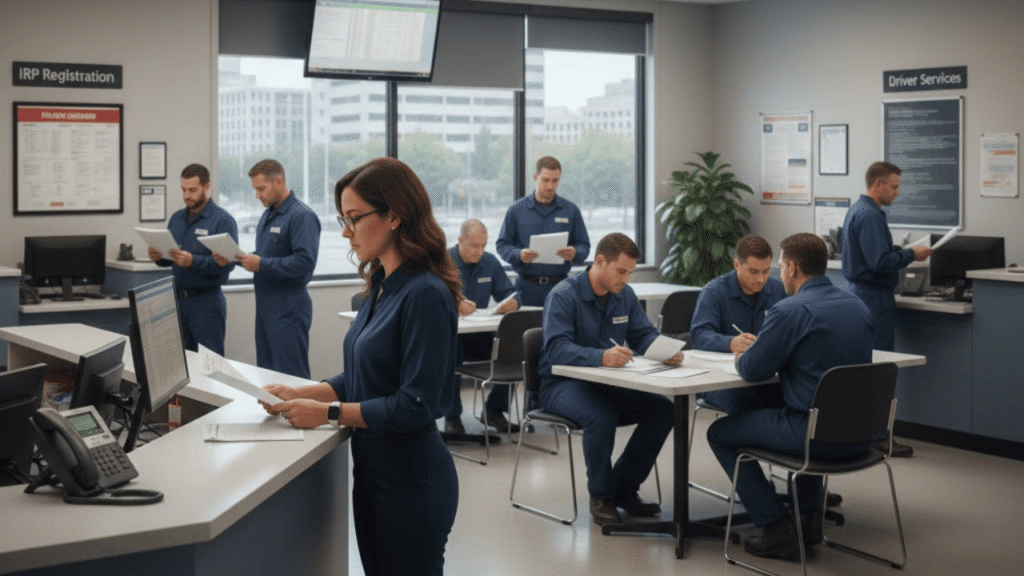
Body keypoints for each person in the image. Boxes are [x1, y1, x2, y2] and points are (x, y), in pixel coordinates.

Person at [260, 157, 459, 576]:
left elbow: (415, 404)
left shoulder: (425, 293)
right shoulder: (382, 285)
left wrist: (327, 413)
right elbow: (364, 376)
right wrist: (302, 393)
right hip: (373, 475)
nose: (346, 231)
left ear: (394, 216)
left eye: (354, 218)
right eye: (343, 219)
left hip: (411, 482)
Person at [707, 233, 874, 560]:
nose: (779, 274)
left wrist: (742, 357)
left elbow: (753, 370)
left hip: (813, 437)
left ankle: (776, 526)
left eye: (781, 266)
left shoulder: (789, 310)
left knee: (720, 433)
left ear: (793, 267)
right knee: (814, 412)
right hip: (862, 434)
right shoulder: (857, 305)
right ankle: (809, 519)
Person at [538, 232, 679, 526]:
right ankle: (601, 496)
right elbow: (556, 349)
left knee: (664, 410)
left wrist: (662, 350)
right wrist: (600, 356)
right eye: (621, 271)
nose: (626, 279)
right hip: (560, 385)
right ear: (600, 262)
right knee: (601, 417)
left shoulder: (624, 294)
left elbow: (642, 334)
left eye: (630, 273)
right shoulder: (563, 295)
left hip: (607, 382)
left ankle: (623, 489)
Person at [842, 161, 931, 457]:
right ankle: (879, 436)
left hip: (860, 294)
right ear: (877, 184)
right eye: (893, 186)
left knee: (866, 366)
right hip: (874, 297)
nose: (897, 192)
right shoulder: (870, 215)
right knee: (880, 368)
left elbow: (875, 253)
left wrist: (901, 252)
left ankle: (861, 432)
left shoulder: (858, 210)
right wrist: (910, 255)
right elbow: (879, 262)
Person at [237, 159, 320, 379]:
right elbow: (267, 254)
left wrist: (261, 264)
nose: (257, 195)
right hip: (266, 305)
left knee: (291, 377)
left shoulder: (301, 215)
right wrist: (238, 258)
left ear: (279, 182)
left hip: (289, 307)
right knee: (267, 374)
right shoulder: (268, 214)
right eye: (255, 189)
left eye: (261, 188)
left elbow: (305, 262)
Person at [690, 234, 786, 415]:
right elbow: (699, 335)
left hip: (766, 376)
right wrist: (730, 343)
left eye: (766, 271)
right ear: (737, 265)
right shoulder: (714, 291)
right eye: (753, 272)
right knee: (747, 403)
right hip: (720, 381)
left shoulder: (778, 290)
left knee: (791, 398)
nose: (761, 279)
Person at [149, 163, 237, 355]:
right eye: (183, 190)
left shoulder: (222, 220)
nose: (187, 195)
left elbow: (229, 265)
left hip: (206, 302)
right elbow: (171, 258)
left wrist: (194, 261)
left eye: (192, 190)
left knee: (209, 362)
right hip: (178, 301)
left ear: (207, 187)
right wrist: (159, 257)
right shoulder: (176, 218)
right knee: (181, 361)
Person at [445, 218, 520, 435]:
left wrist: (514, 301)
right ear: (460, 240)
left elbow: (510, 292)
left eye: (483, 246)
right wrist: (454, 302)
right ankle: (452, 417)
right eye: (474, 246)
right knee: (450, 353)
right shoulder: (443, 262)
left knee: (511, 350)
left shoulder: (490, 262)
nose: (479, 251)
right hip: (451, 336)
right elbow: (427, 298)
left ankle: (494, 410)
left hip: (479, 334)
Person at [496, 156, 590, 306]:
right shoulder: (516, 210)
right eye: (545, 180)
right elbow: (502, 245)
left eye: (555, 181)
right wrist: (519, 254)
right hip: (526, 289)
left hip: (560, 287)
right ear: (535, 177)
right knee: (525, 322)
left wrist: (574, 252)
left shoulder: (571, 211)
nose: (550, 186)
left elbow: (584, 245)